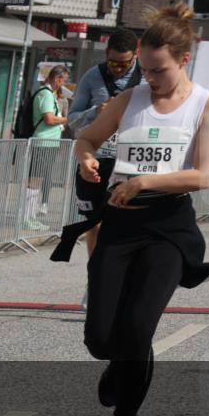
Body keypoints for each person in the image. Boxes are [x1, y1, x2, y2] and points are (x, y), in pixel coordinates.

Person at [51, 2, 209, 416]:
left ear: (183, 60)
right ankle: (116, 363)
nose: (150, 78)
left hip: (168, 226)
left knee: (137, 329)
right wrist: (86, 158)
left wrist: (145, 181)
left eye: (158, 70)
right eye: (145, 70)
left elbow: (205, 176)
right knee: (100, 338)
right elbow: (85, 137)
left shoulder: (207, 105)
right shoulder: (131, 100)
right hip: (120, 223)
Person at [67, 28, 143, 308]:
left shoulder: (147, 79)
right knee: (94, 224)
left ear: (136, 55)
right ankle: (96, 281)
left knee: (126, 226)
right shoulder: (93, 76)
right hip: (95, 159)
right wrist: (95, 113)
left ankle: (124, 282)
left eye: (124, 64)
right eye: (112, 62)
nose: (117, 69)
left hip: (131, 162)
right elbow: (72, 121)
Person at [23, 65, 69, 231]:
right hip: (43, 143)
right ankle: (27, 218)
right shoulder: (46, 94)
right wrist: (64, 120)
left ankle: (31, 216)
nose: (63, 83)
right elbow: (49, 119)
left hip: (47, 144)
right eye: (64, 80)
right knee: (34, 181)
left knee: (37, 181)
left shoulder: (48, 94)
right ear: (57, 78)